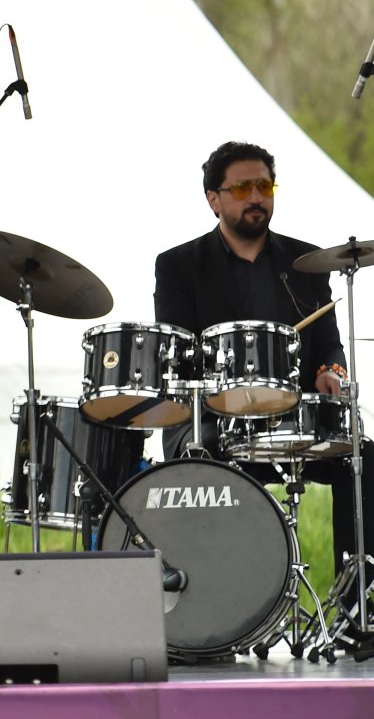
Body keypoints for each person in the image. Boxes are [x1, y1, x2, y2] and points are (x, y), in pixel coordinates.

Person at [155, 141, 373, 573]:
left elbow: (327, 343)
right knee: (200, 463)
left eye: (264, 185)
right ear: (213, 200)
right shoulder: (179, 265)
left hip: (296, 421)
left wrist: (332, 369)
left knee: (365, 460)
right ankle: (222, 608)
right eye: (242, 189)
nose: (257, 197)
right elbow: (176, 359)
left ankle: (357, 605)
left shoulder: (306, 262)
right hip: (214, 423)